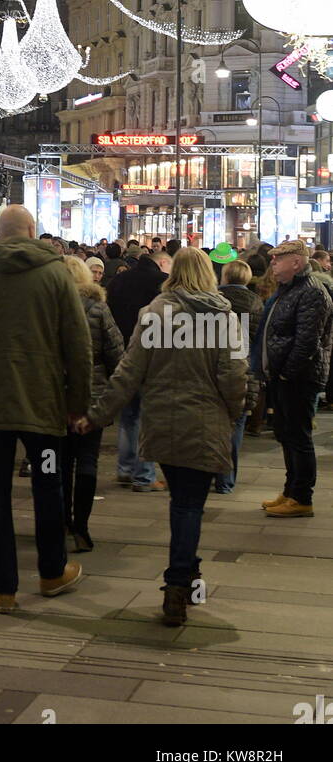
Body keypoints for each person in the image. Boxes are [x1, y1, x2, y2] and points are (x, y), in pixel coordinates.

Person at [77, 246, 246, 626]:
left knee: (181, 502)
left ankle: (188, 571)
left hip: (163, 421)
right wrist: (233, 414)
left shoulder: (154, 315)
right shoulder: (224, 317)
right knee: (190, 504)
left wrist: (97, 415)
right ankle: (177, 583)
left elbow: (129, 371)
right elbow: (234, 375)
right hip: (206, 420)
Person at [0, 205, 92, 615]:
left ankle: (3, 589)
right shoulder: (57, 273)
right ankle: (50, 572)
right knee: (47, 485)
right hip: (43, 405)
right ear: (31, 230)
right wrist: (78, 404)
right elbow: (78, 345)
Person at [257, 239, 333, 518]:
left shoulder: (311, 292)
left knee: (299, 437)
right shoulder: (289, 290)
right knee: (287, 435)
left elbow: (307, 341)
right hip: (283, 376)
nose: (273, 263)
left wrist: (287, 372)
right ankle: (290, 491)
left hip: (299, 377)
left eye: (278, 259)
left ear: (296, 263)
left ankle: (302, 497)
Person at [62, 256, 123, 551]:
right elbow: (116, 352)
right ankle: (81, 527)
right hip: (93, 392)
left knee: (59, 461)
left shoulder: (49, 307)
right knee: (87, 459)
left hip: (54, 394)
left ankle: (61, 518)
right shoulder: (99, 308)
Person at [106, 252, 171, 491]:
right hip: (149, 356)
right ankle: (144, 475)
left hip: (122, 353)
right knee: (147, 415)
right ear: (163, 263)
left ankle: (124, 469)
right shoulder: (161, 283)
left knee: (128, 415)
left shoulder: (119, 280)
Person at [214, 259, 263, 492]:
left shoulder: (213, 299)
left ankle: (209, 472)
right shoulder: (256, 303)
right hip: (245, 366)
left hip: (215, 367)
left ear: (225, 277)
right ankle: (227, 479)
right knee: (239, 422)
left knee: (214, 421)